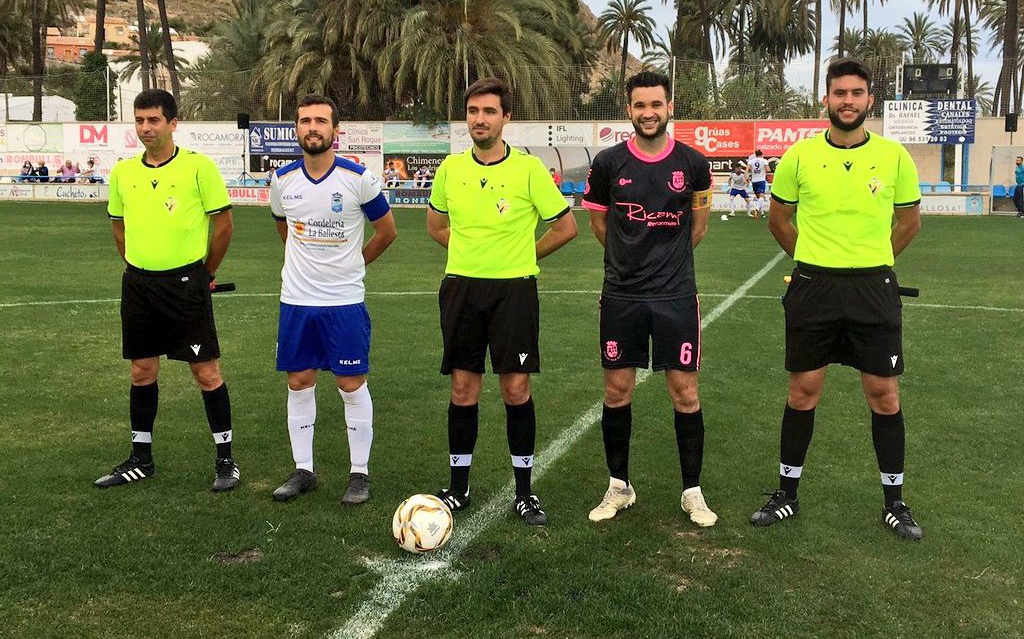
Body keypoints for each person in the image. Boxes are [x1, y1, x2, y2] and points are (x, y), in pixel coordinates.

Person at [750, 58, 923, 540]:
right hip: (814, 288)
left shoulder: (894, 157)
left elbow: (909, 222)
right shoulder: (800, 157)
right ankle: (786, 495)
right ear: (825, 100)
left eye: (857, 92)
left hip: (873, 290)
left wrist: (872, 261)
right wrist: (811, 259)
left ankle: (895, 502)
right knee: (803, 392)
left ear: (870, 100)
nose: (848, 100)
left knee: (884, 396)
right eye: (839, 92)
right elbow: (779, 220)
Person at [426, 77, 577, 526]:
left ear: (506, 118)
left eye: (489, 111)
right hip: (462, 290)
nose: (480, 119)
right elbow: (436, 228)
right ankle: (458, 488)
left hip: (514, 291)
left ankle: (525, 493)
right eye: (473, 111)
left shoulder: (529, 170)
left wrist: (521, 255)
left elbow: (566, 227)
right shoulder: (450, 170)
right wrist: (470, 253)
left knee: (515, 388)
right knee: (462, 388)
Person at [582, 71, 717, 527]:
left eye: (656, 104)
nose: (648, 113)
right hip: (622, 294)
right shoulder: (608, 164)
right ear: (629, 110)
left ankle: (692, 492)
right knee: (617, 391)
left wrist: (667, 262)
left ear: (669, 106)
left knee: (685, 393)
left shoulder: (694, 164)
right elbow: (600, 226)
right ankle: (619, 486)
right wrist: (628, 260)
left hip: (676, 295)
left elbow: (698, 228)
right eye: (640, 106)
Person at [95, 89, 239, 492]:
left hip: (186, 284)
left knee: (205, 371)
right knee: (142, 370)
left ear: (173, 123)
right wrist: (138, 265)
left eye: (154, 120)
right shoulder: (124, 172)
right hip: (139, 285)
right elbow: (118, 226)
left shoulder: (199, 168)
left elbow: (224, 226)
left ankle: (225, 460)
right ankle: (141, 458)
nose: (145, 128)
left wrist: (204, 273)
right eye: (139, 120)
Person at [269, 94, 397, 504]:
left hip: (343, 301)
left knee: (350, 382)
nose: (312, 127)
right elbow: (284, 229)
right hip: (297, 300)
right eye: (305, 120)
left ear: (335, 130)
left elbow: (387, 232)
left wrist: (354, 265)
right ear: (296, 130)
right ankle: (303, 469)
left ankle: (358, 474)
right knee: (299, 380)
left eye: (321, 120)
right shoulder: (282, 180)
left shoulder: (357, 177)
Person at [746, 149, 769, 218]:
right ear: (762, 154)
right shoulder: (764, 160)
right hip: (761, 180)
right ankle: (756, 209)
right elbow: (768, 169)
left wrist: (745, 177)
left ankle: (761, 212)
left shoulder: (751, 161)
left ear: (755, 155)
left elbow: (747, 170)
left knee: (759, 198)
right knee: (761, 197)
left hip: (754, 181)